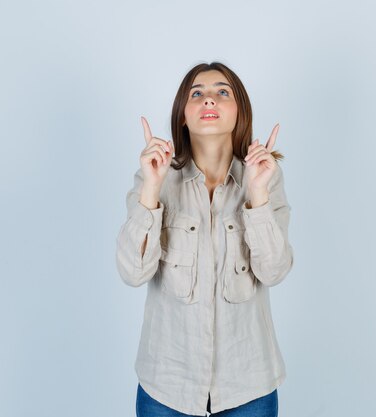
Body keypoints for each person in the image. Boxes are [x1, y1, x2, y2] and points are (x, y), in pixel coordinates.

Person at [116, 62, 294, 417]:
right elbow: (133, 272)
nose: (209, 99)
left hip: (249, 386)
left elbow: (274, 270)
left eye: (222, 92)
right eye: (197, 93)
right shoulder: (155, 178)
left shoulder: (265, 178)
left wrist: (256, 195)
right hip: (166, 386)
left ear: (238, 111)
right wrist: (151, 189)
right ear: (183, 115)